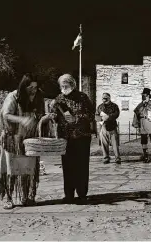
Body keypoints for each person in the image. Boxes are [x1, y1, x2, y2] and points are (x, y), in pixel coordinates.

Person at [0, 73, 52, 209]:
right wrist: (21, 119)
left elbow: (39, 115)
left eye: (35, 87)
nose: (33, 90)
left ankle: (27, 196)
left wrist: (46, 117)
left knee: (29, 169)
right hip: (12, 139)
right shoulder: (13, 96)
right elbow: (6, 114)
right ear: (24, 86)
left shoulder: (39, 97)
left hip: (30, 140)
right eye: (30, 87)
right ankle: (7, 197)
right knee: (11, 169)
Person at [51, 74, 95, 204]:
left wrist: (77, 118)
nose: (64, 88)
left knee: (81, 166)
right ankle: (68, 195)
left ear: (73, 85)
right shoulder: (58, 99)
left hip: (82, 137)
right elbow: (56, 118)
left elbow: (92, 115)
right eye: (62, 86)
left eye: (66, 86)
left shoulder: (82, 97)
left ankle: (82, 194)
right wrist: (53, 115)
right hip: (66, 138)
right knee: (68, 166)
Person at [133, 88, 151, 163]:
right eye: (143, 95)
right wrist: (136, 124)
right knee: (143, 141)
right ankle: (146, 156)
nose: (144, 97)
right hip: (142, 123)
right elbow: (136, 114)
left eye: (145, 95)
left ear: (149, 96)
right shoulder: (139, 105)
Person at [95, 93, 121, 164]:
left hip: (112, 127)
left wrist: (109, 117)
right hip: (103, 127)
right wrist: (101, 118)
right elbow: (96, 116)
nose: (104, 99)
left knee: (115, 143)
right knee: (104, 144)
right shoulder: (100, 107)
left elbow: (117, 114)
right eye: (103, 97)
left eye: (106, 97)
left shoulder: (114, 106)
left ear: (109, 98)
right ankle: (106, 158)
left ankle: (117, 158)